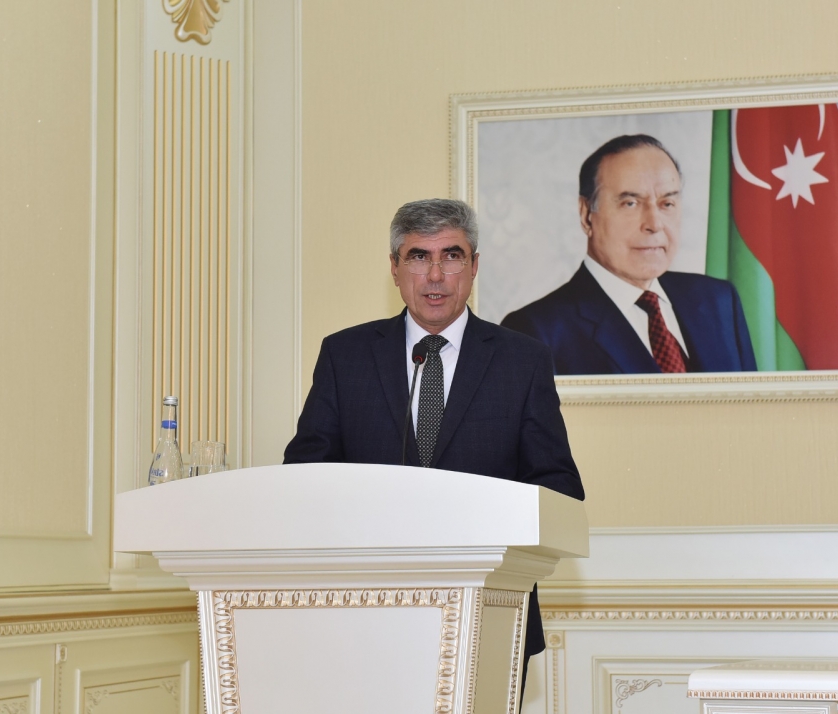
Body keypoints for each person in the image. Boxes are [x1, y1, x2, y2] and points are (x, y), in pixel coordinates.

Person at [283, 198, 585, 702]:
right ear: (395, 268)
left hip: (490, 609)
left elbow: (559, 487)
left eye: (452, 256)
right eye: (419, 256)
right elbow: (303, 476)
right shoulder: (345, 355)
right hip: (364, 616)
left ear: (474, 265)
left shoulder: (522, 360)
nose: (436, 275)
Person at [501, 134, 757, 375]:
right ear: (586, 215)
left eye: (667, 203)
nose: (654, 224)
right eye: (630, 204)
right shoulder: (534, 333)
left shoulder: (719, 301)